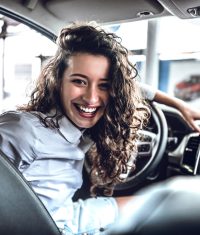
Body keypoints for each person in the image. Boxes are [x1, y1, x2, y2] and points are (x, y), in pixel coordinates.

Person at [0, 21, 150, 235]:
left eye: (104, 85)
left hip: (67, 217)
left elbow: (59, 211)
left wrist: (176, 104)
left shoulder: (81, 134)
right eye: (79, 82)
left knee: (160, 203)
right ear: (58, 81)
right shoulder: (23, 130)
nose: (91, 98)